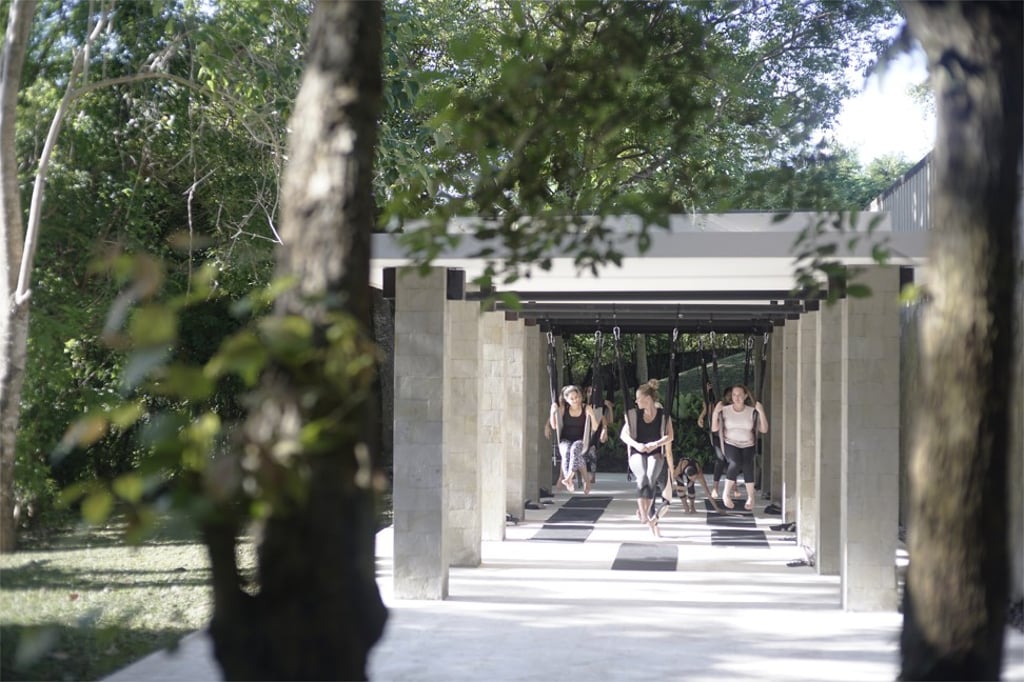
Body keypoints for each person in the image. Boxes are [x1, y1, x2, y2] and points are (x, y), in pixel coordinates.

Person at [620, 379, 674, 535]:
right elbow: (624, 435)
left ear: (648, 399)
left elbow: (670, 436)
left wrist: (656, 444)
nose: (636, 401)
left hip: (655, 452)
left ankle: (646, 511)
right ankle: (643, 513)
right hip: (637, 452)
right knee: (642, 476)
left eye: (638, 398)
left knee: (651, 476)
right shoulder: (634, 415)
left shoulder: (663, 416)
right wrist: (637, 445)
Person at [711, 384, 769, 511]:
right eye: (734, 395)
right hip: (730, 443)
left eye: (740, 395)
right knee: (736, 463)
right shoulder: (725, 410)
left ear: (745, 396)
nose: (736, 398)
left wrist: (761, 411)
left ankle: (751, 497)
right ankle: (726, 494)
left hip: (748, 443)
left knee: (748, 464)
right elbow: (714, 428)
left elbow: (764, 429)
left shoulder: (751, 411)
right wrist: (715, 412)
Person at [549, 385, 599, 494]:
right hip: (565, 439)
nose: (575, 400)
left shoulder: (586, 408)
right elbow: (554, 426)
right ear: (566, 399)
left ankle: (569, 478)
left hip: (581, 440)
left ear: (580, 397)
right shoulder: (563, 409)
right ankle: (571, 479)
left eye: (577, 397)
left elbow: (595, 428)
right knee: (567, 450)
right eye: (572, 399)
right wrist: (552, 412)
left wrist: (591, 414)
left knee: (575, 449)